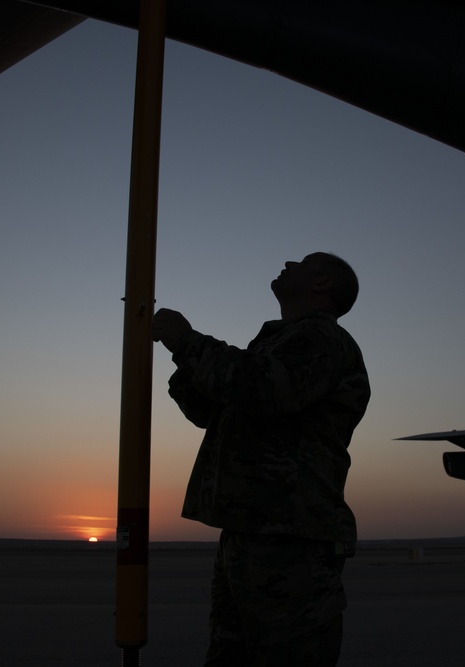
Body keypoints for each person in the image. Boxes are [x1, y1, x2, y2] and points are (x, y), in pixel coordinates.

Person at [151, 252, 371, 666]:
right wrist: (183, 355)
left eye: (304, 262)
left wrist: (188, 341)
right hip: (251, 527)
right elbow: (211, 411)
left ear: (322, 283)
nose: (289, 263)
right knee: (230, 655)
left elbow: (267, 389)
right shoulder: (277, 343)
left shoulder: (322, 340)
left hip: (292, 534)